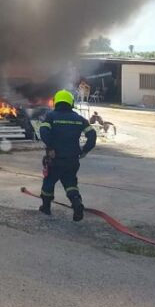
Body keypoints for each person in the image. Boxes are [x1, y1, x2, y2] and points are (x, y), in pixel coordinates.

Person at [38, 89, 97, 221]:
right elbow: (92, 134)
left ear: (56, 102)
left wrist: (51, 147)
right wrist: (85, 149)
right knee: (70, 183)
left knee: (49, 182)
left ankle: (46, 207)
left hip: (55, 159)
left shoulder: (51, 116)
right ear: (71, 102)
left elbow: (43, 131)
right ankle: (77, 204)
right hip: (72, 159)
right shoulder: (79, 119)